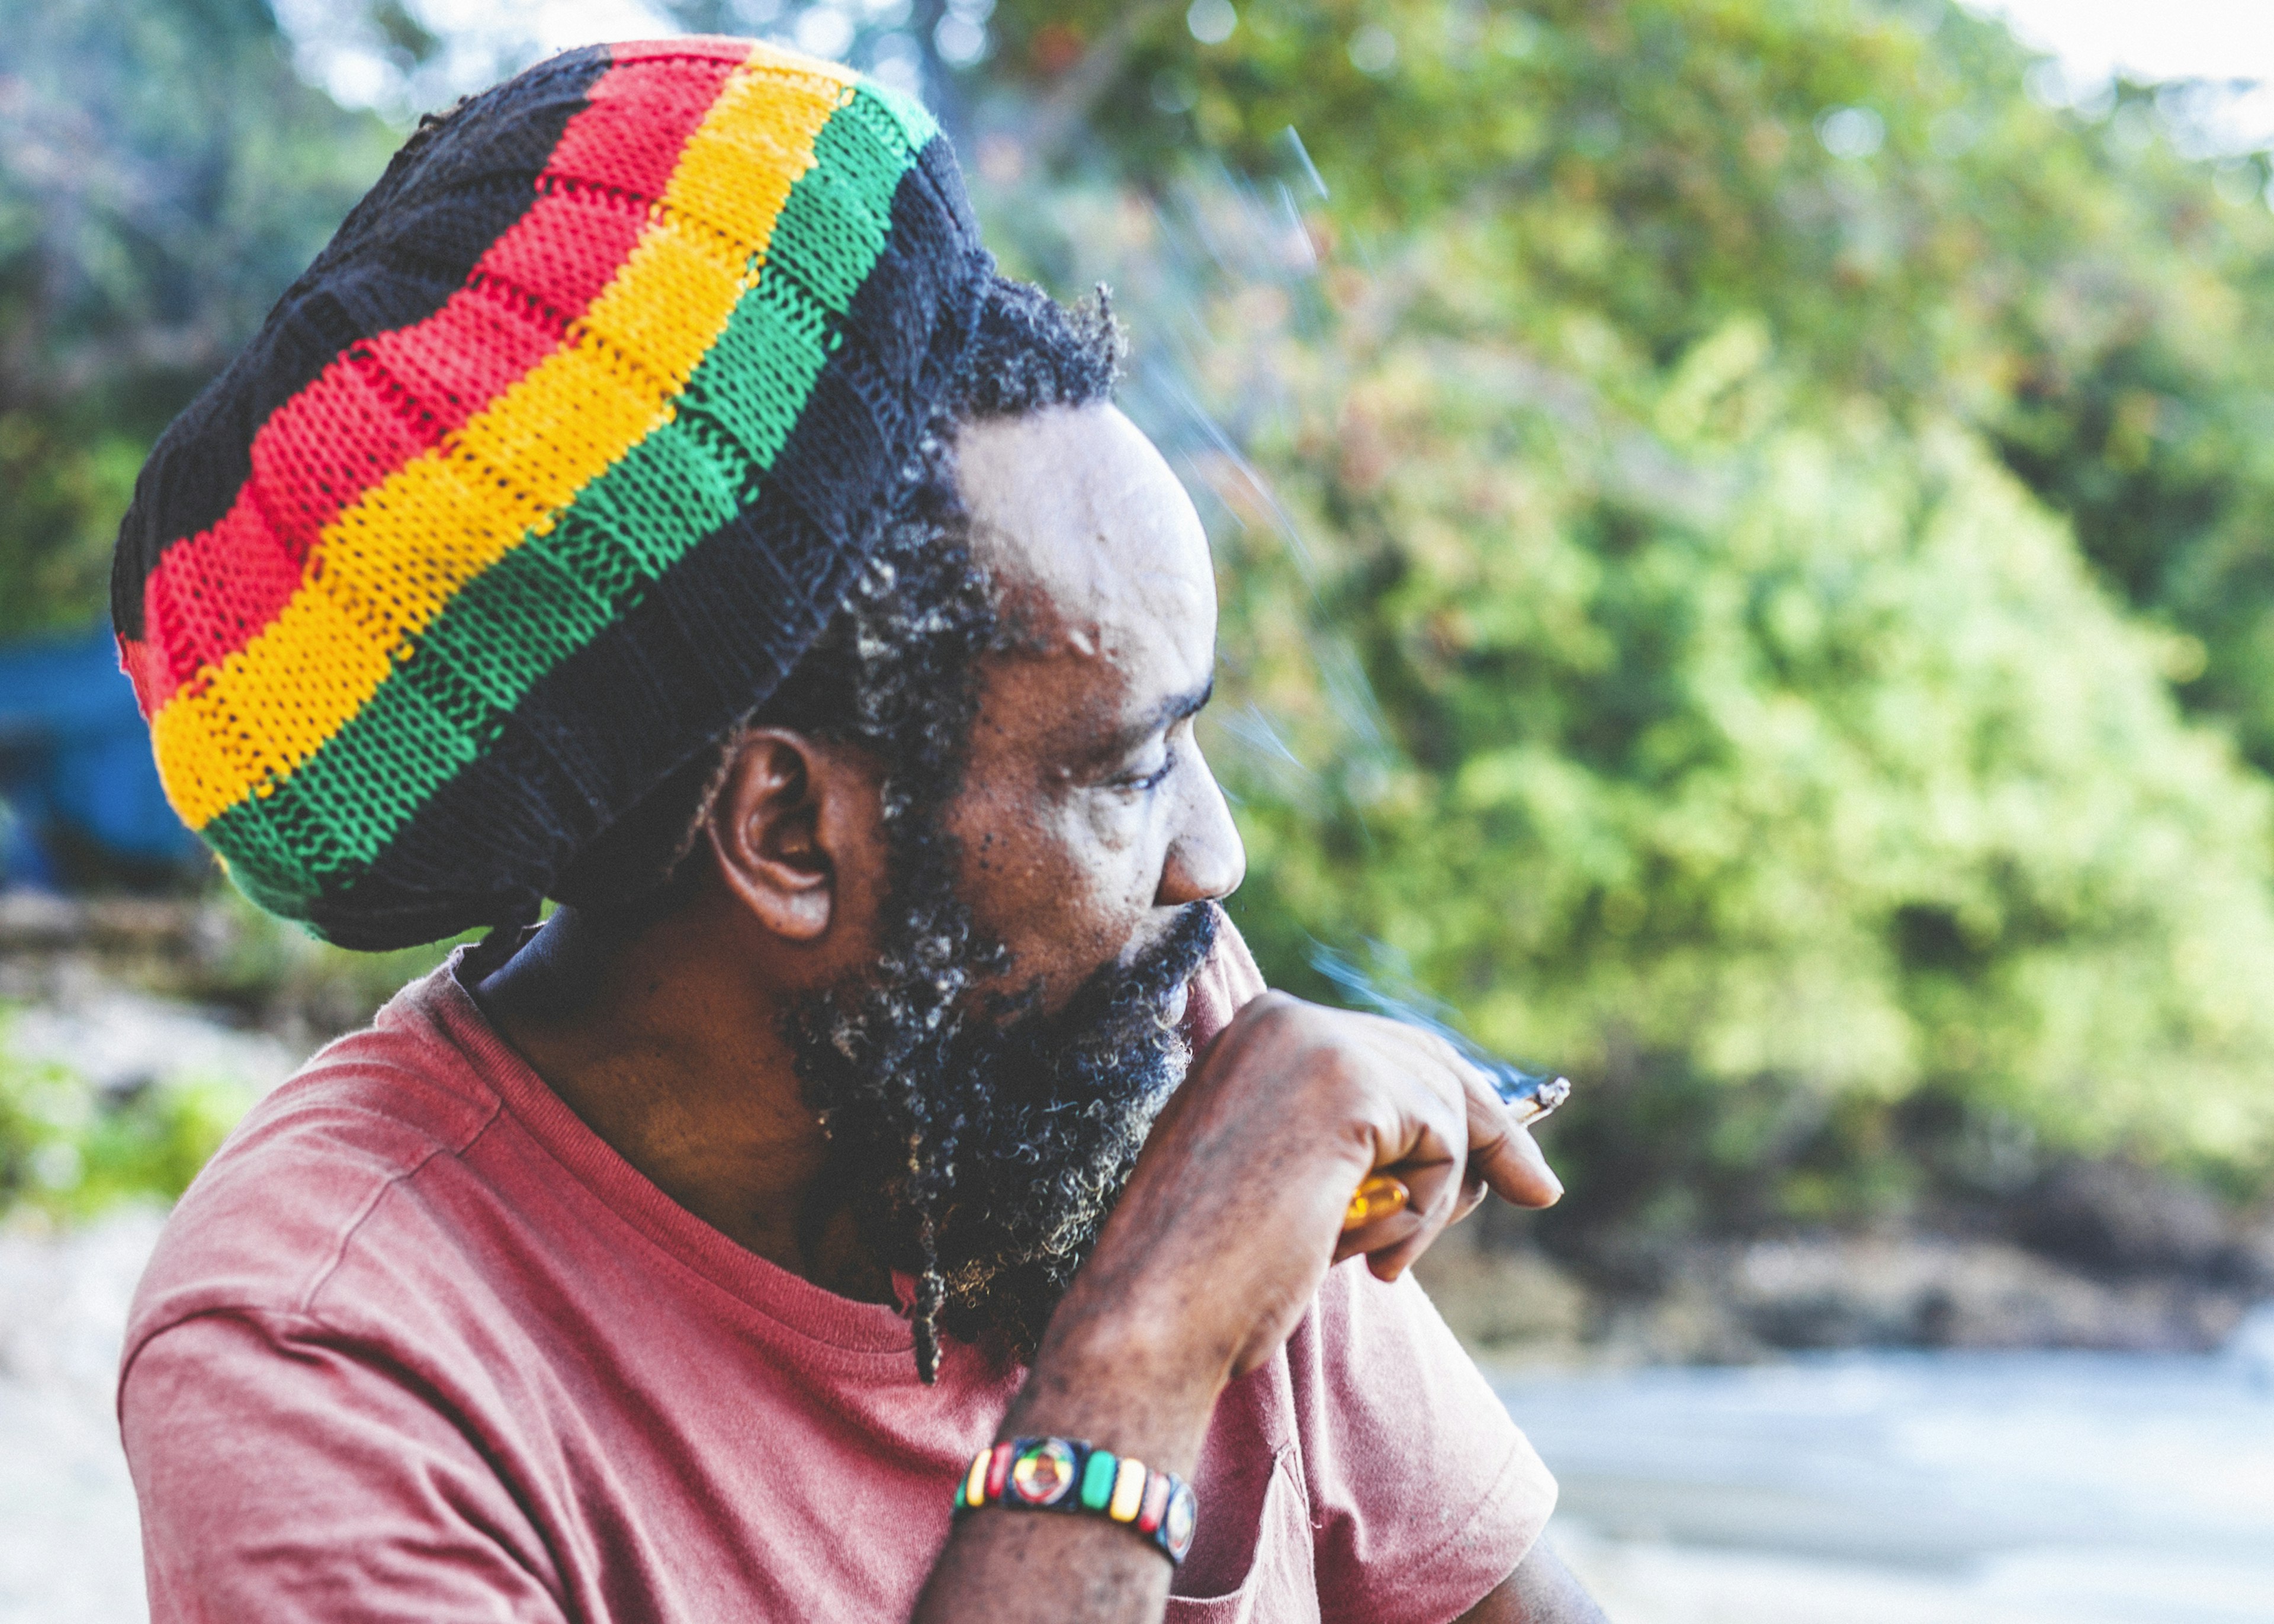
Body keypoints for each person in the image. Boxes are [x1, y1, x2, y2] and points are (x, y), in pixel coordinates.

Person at [111, 36, 1605, 1623]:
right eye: (1127, 768)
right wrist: (1145, 1353)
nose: (1212, 864)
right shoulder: (332, 1356)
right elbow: (1159, 1340)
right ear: (789, 834)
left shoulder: (1131, 1041)